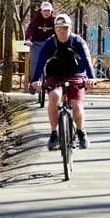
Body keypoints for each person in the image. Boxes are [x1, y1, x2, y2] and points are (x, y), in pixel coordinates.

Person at [30, 14, 96, 150]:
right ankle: (54, 133)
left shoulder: (78, 42)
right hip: (55, 76)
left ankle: (81, 131)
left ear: (70, 28)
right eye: (59, 28)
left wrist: (91, 78)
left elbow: (87, 60)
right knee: (54, 97)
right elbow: (40, 62)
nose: (62, 31)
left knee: (76, 104)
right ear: (54, 29)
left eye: (65, 27)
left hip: (76, 75)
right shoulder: (50, 43)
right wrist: (35, 80)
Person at [24, 1, 56, 93]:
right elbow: (30, 30)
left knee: (54, 62)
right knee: (34, 62)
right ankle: (34, 83)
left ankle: (51, 83)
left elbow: (58, 31)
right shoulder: (36, 19)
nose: (46, 12)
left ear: (51, 11)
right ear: (41, 11)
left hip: (49, 44)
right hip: (36, 44)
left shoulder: (54, 20)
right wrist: (28, 40)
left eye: (48, 11)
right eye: (45, 10)